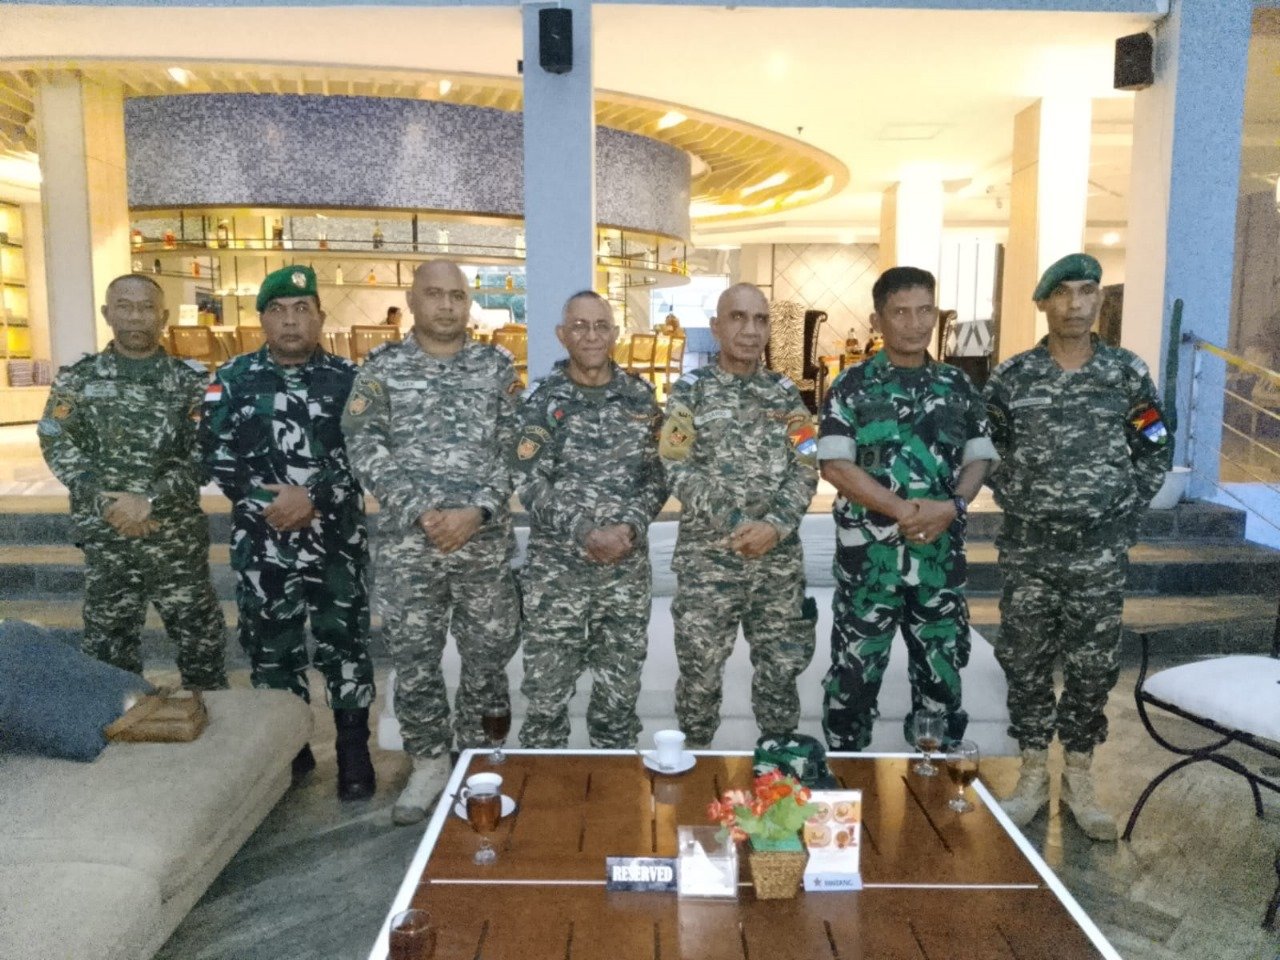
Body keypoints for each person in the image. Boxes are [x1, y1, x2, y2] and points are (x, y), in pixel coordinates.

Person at [985, 253, 1172, 841]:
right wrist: (1021, 496)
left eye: (1087, 291)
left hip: (1098, 553)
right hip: (1030, 552)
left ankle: (1080, 776)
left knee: (1092, 666)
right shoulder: (1013, 378)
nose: (1075, 304)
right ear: (1043, 303)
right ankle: (1033, 773)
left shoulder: (1126, 374)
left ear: (1099, 299)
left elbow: (1155, 444)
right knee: (1026, 661)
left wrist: (1123, 508)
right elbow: (987, 451)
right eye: (1062, 293)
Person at [342, 259, 521, 826]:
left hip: (482, 543)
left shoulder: (495, 367)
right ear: (413, 300)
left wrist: (478, 510)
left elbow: (517, 445)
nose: (446, 305)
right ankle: (428, 762)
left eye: (457, 296)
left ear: (468, 303)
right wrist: (421, 511)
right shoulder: (381, 368)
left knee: (487, 658)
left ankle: (475, 759)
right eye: (435, 294)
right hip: (409, 546)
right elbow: (363, 444)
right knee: (415, 659)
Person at [200, 265, 376, 800]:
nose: (291, 320)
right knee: (272, 649)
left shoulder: (351, 379)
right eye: (278, 310)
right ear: (262, 320)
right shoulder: (231, 379)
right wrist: (271, 502)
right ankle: (290, 749)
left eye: (302, 309)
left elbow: (368, 454)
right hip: (264, 544)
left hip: (335, 541)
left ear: (320, 316)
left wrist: (313, 498)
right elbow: (214, 454)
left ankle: (353, 750)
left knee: (345, 644)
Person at [817, 267, 997, 752]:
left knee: (941, 688)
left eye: (924, 311)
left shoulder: (957, 385)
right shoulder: (850, 386)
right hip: (869, 570)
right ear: (878, 321)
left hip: (938, 566)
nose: (915, 324)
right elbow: (835, 465)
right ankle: (848, 783)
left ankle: (932, 784)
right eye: (900, 312)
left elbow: (979, 457)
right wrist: (901, 509)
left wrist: (953, 506)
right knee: (852, 687)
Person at [38, 274, 226, 689]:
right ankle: (124, 724)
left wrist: (151, 500)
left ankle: (211, 726)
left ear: (164, 316)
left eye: (146, 308)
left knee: (202, 648)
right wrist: (105, 501)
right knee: (109, 656)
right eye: (124, 306)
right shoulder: (78, 379)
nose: (136, 317)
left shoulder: (195, 382)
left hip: (174, 539)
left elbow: (208, 451)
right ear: (107, 314)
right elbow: (55, 438)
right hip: (107, 537)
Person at [658, 282, 818, 747]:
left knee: (780, 677)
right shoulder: (690, 393)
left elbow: (807, 463)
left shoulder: (786, 395)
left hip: (776, 565)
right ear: (716, 327)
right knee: (700, 679)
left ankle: (777, 772)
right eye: (738, 317)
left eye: (760, 319)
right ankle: (693, 770)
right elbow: (674, 464)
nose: (750, 330)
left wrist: (775, 526)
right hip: (710, 565)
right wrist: (735, 524)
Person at [513, 291, 667, 749]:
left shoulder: (640, 398)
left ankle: (613, 788)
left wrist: (630, 527)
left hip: (624, 573)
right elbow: (529, 481)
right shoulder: (541, 401)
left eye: (601, 326)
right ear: (562, 335)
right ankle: (544, 789)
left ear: (615, 333)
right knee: (545, 703)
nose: (592, 335)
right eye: (580, 326)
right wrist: (585, 532)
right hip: (556, 577)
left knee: (618, 704)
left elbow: (660, 474)